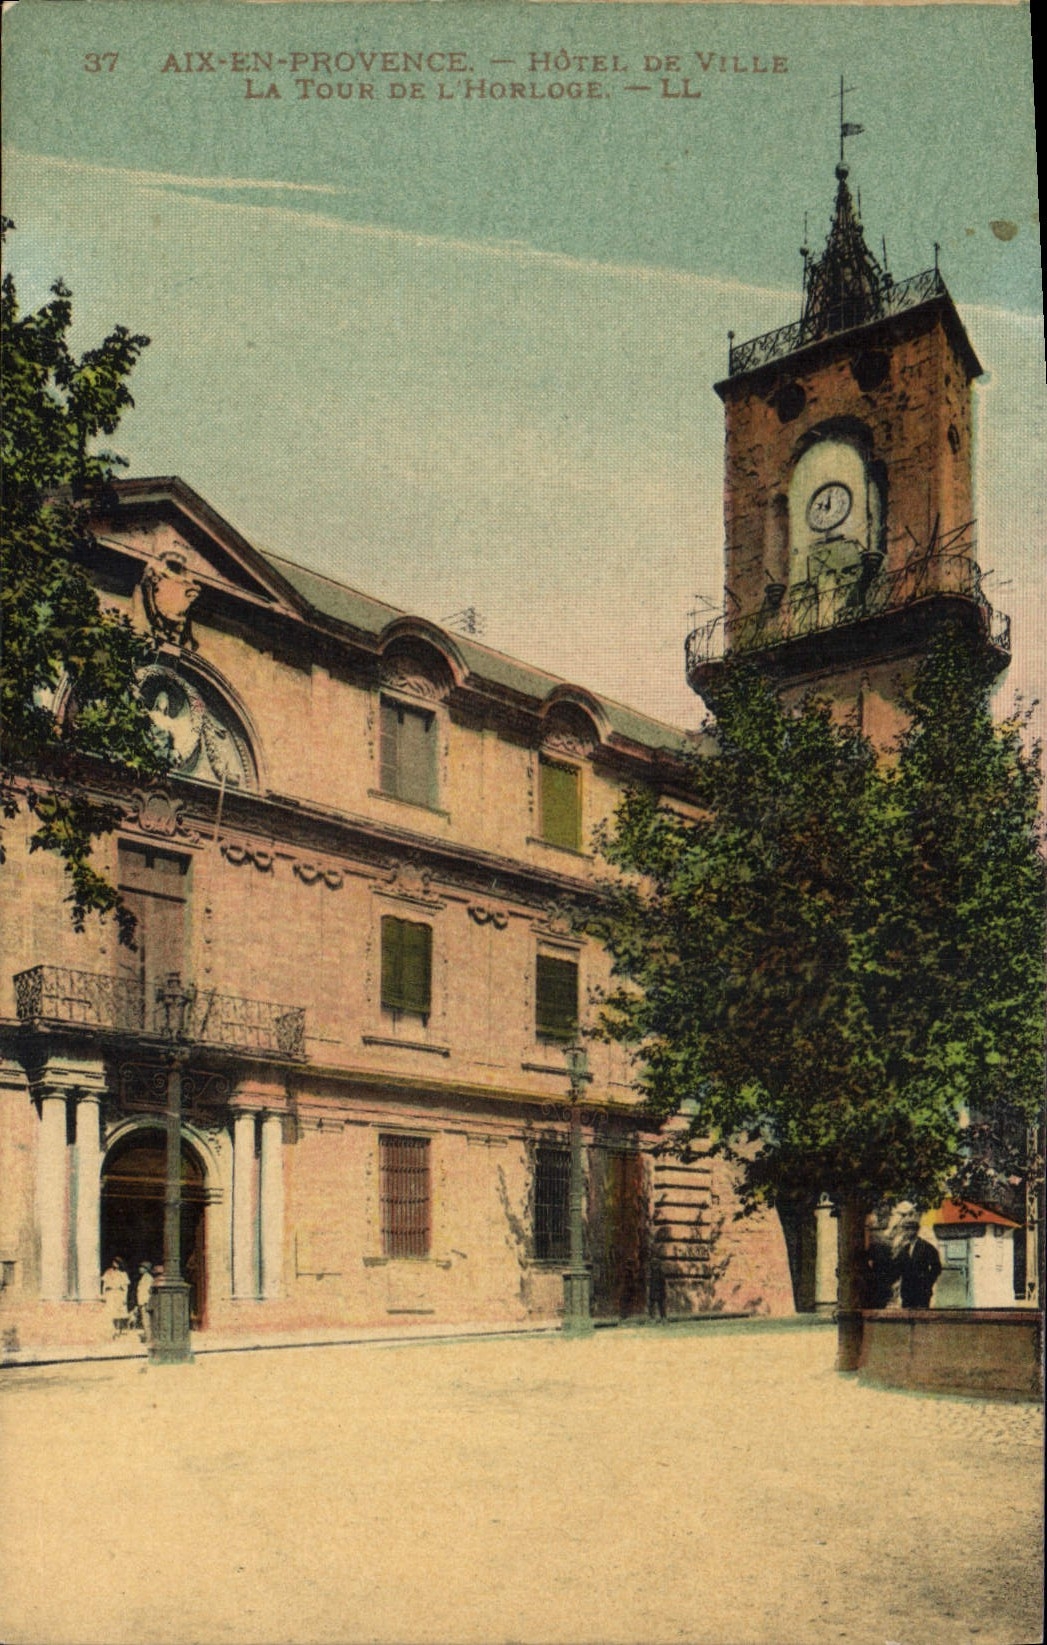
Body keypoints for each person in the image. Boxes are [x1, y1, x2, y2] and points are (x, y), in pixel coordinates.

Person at [895, 1208, 943, 1308]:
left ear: (916, 1230)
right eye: (905, 1229)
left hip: (922, 1292)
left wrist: (927, 1282)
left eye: (909, 1229)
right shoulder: (904, 1249)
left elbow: (937, 1267)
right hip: (907, 1293)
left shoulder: (926, 1247)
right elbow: (898, 1268)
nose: (906, 1232)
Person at [100, 1257, 130, 1337]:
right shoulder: (108, 1272)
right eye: (114, 1262)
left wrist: (124, 1298)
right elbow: (105, 1285)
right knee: (110, 1313)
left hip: (119, 1294)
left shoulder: (123, 1274)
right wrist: (104, 1295)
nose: (115, 1264)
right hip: (110, 1294)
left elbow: (125, 1288)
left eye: (117, 1263)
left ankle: (118, 1330)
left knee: (119, 1314)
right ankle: (111, 1331)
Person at [135, 1262, 156, 1338]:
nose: (140, 1269)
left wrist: (145, 1302)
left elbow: (148, 1291)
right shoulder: (144, 1277)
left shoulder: (148, 1278)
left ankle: (149, 1338)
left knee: (146, 1321)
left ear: (146, 1269)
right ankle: (148, 1337)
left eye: (142, 1267)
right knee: (145, 1320)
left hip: (145, 1302)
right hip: (142, 1302)